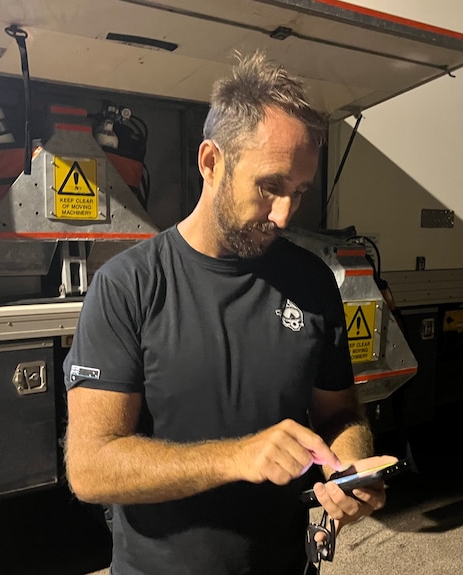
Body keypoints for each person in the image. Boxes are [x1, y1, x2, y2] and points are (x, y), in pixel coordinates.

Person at [63, 50, 395, 575]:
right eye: (271, 186)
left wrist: (349, 467)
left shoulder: (312, 283)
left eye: (299, 193)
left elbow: (340, 415)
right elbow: (91, 467)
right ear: (211, 162)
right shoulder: (128, 285)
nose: (285, 214)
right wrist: (238, 457)